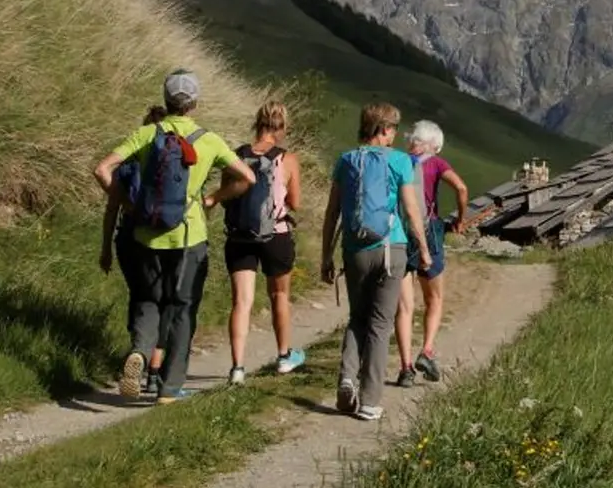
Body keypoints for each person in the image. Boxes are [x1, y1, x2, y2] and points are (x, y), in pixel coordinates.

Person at [93, 70, 256, 403]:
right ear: (194, 103)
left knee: (146, 299)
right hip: (188, 237)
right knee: (182, 308)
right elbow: (247, 177)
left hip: (144, 234)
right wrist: (214, 197)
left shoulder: (146, 134)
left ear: (166, 101)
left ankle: (139, 351)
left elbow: (102, 169)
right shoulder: (208, 140)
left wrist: (128, 203)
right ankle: (168, 388)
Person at [320, 102, 430, 422]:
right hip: (390, 248)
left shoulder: (345, 161)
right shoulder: (399, 161)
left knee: (357, 318)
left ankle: (346, 378)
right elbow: (411, 211)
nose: (395, 134)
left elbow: (332, 213)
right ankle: (369, 401)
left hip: (355, 250)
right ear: (383, 129)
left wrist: (326, 255)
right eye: (393, 128)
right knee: (381, 325)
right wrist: (422, 249)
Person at [223, 101, 306, 385]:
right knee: (279, 296)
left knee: (241, 302)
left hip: (239, 236)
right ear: (280, 128)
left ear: (258, 123)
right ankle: (284, 356)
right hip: (276, 235)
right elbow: (295, 203)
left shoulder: (236, 156)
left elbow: (228, 196)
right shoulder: (288, 159)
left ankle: (237, 367)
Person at [98, 105, 168, 398]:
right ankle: (152, 368)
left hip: (127, 239)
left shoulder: (129, 164)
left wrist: (105, 249)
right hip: (162, 238)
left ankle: (137, 351)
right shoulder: (171, 161)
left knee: (140, 296)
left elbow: (111, 207)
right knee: (163, 301)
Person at [393, 120, 469, 387]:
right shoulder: (437, 163)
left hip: (398, 235)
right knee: (434, 297)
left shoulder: (397, 160)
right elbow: (460, 188)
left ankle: (405, 368)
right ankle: (426, 350)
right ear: (434, 145)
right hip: (429, 233)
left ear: (412, 140)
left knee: (404, 306)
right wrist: (460, 219)